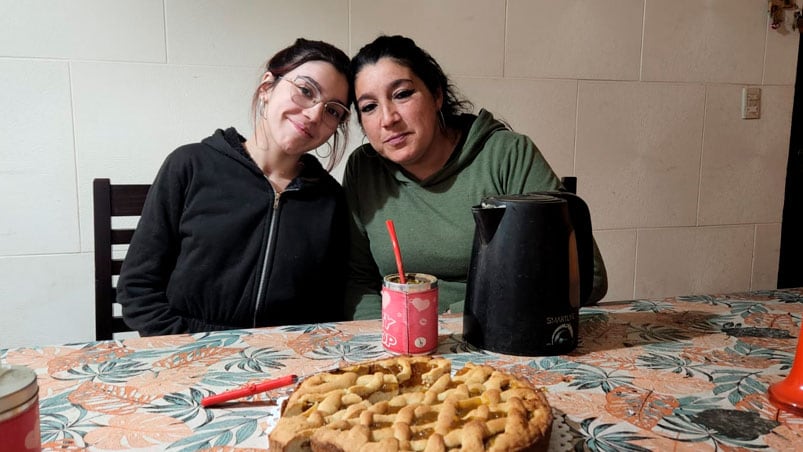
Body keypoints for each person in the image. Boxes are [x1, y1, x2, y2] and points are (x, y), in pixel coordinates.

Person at [343, 35, 607, 320]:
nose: (387, 118)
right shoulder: (363, 169)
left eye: (402, 94)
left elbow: (584, 278)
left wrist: (444, 319)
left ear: (437, 96)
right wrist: (379, 339)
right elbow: (358, 282)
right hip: (402, 342)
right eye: (369, 107)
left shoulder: (506, 154)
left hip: (499, 333)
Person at [118, 38, 352, 336]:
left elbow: (330, 308)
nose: (314, 115)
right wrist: (201, 348)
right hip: (187, 351)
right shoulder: (190, 165)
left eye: (333, 111)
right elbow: (137, 289)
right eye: (305, 91)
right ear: (267, 87)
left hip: (286, 361)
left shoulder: (330, 199)